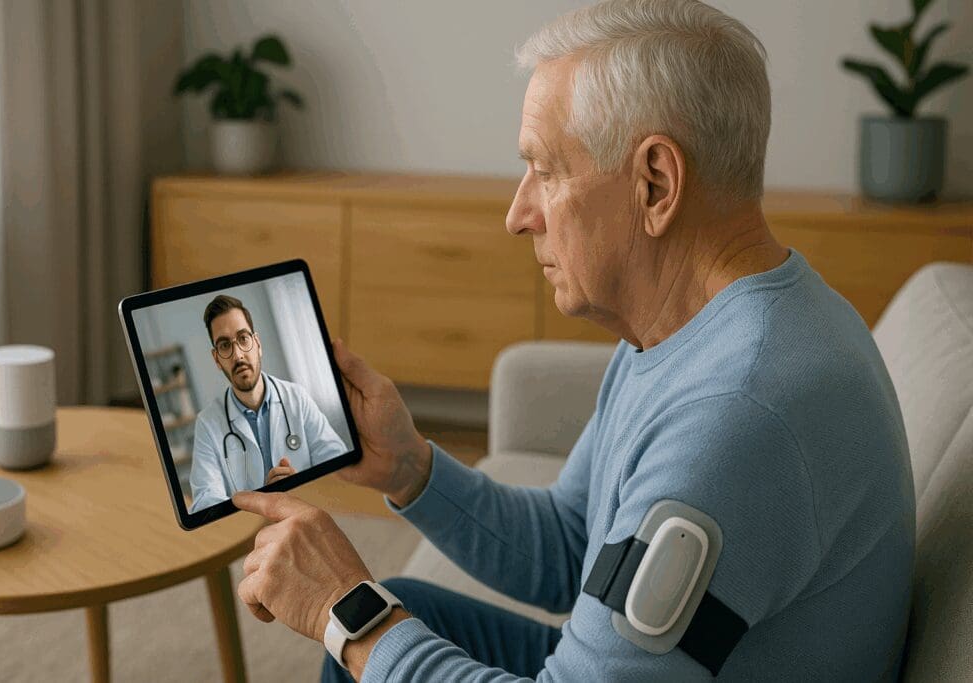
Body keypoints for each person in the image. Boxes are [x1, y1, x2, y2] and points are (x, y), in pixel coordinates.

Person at [229, 0, 915, 680]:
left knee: (369, 627)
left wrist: (341, 606)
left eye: (546, 170)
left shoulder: (737, 413)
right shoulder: (690, 327)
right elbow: (570, 548)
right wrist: (410, 468)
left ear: (655, 184)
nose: (517, 214)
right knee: (396, 614)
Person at [188, 295, 346, 514]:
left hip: (307, 514)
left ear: (258, 344)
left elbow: (338, 461)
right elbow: (204, 502)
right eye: (225, 346)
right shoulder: (207, 423)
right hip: (251, 532)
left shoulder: (296, 397)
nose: (238, 355)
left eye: (243, 338)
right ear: (216, 359)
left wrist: (299, 485)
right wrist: (260, 500)